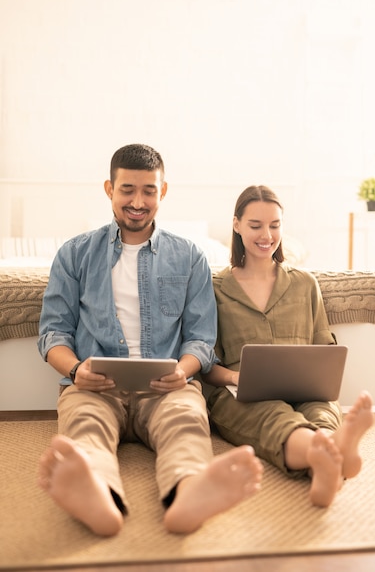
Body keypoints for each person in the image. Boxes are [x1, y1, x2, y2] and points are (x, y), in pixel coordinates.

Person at [37, 144, 263, 537]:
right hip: (95, 385)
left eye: (148, 191)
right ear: (109, 189)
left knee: (186, 423)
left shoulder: (189, 256)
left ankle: (189, 492)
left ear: (163, 191)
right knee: (84, 426)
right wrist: (76, 370)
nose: (137, 202)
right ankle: (98, 496)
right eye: (127, 190)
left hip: (167, 385)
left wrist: (183, 370)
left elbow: (200, 339)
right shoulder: (74, 254)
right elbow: (53, 333)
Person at [202, 185, 374, 508]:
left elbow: (325, 348)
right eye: (255, 226)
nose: (266, 235)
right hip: (240, 395)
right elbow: (206, 365)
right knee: (274, 418)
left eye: (275, 225)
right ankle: (329, 454)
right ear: (236, 225)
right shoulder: (215, 288)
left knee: (323, 409)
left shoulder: (305, 284)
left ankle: (327, 461)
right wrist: (237, 378)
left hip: (305, 389)